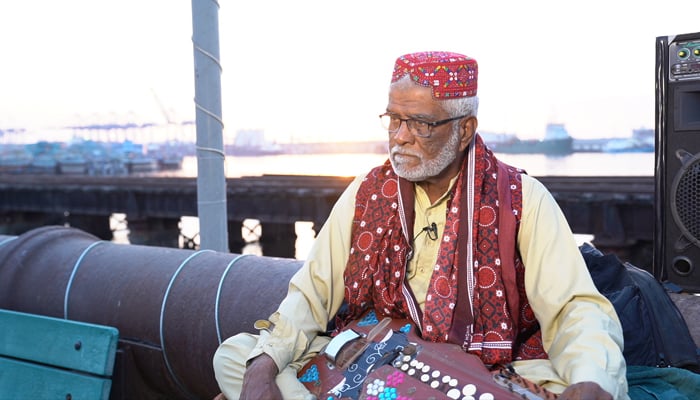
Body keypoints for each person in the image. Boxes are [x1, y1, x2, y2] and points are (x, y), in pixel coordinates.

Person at [213, 51, 629, 400]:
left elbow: (575, 307)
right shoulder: (368, 191)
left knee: (582, 385)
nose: (400, 137)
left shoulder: (520, 198)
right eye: (393, 119)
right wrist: (263, 365)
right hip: (378, 352)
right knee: (237, 356)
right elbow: (313, 292)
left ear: (464, 129)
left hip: (486, 365)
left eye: (421, 124)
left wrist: (591, 379)